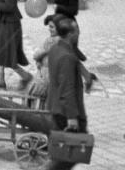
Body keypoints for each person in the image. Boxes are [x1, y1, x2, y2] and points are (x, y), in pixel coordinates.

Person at [46, 17, 87, 170]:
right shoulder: (67, 57)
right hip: (66, 112)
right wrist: (72, 117)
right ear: (71, 34)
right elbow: (67, 89)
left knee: (64, 153)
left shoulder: (56, 48)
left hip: (56, 106)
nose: (78, 33)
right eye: (77, 31)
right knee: (71, 154)